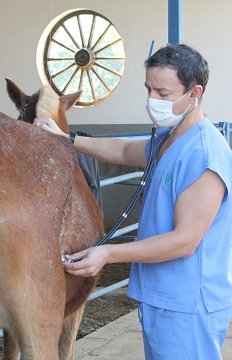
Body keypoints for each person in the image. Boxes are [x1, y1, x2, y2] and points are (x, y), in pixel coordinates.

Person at [34, 43, 232, 359]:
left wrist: (108, 252)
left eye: (163, 94)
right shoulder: (169, 137)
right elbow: (126, 151)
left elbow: (184, 242)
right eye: (148, 89)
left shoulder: (205, 154)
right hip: (162, 298)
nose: (152, 101)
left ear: (194, 94)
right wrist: (68, 139)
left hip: (187, 305)